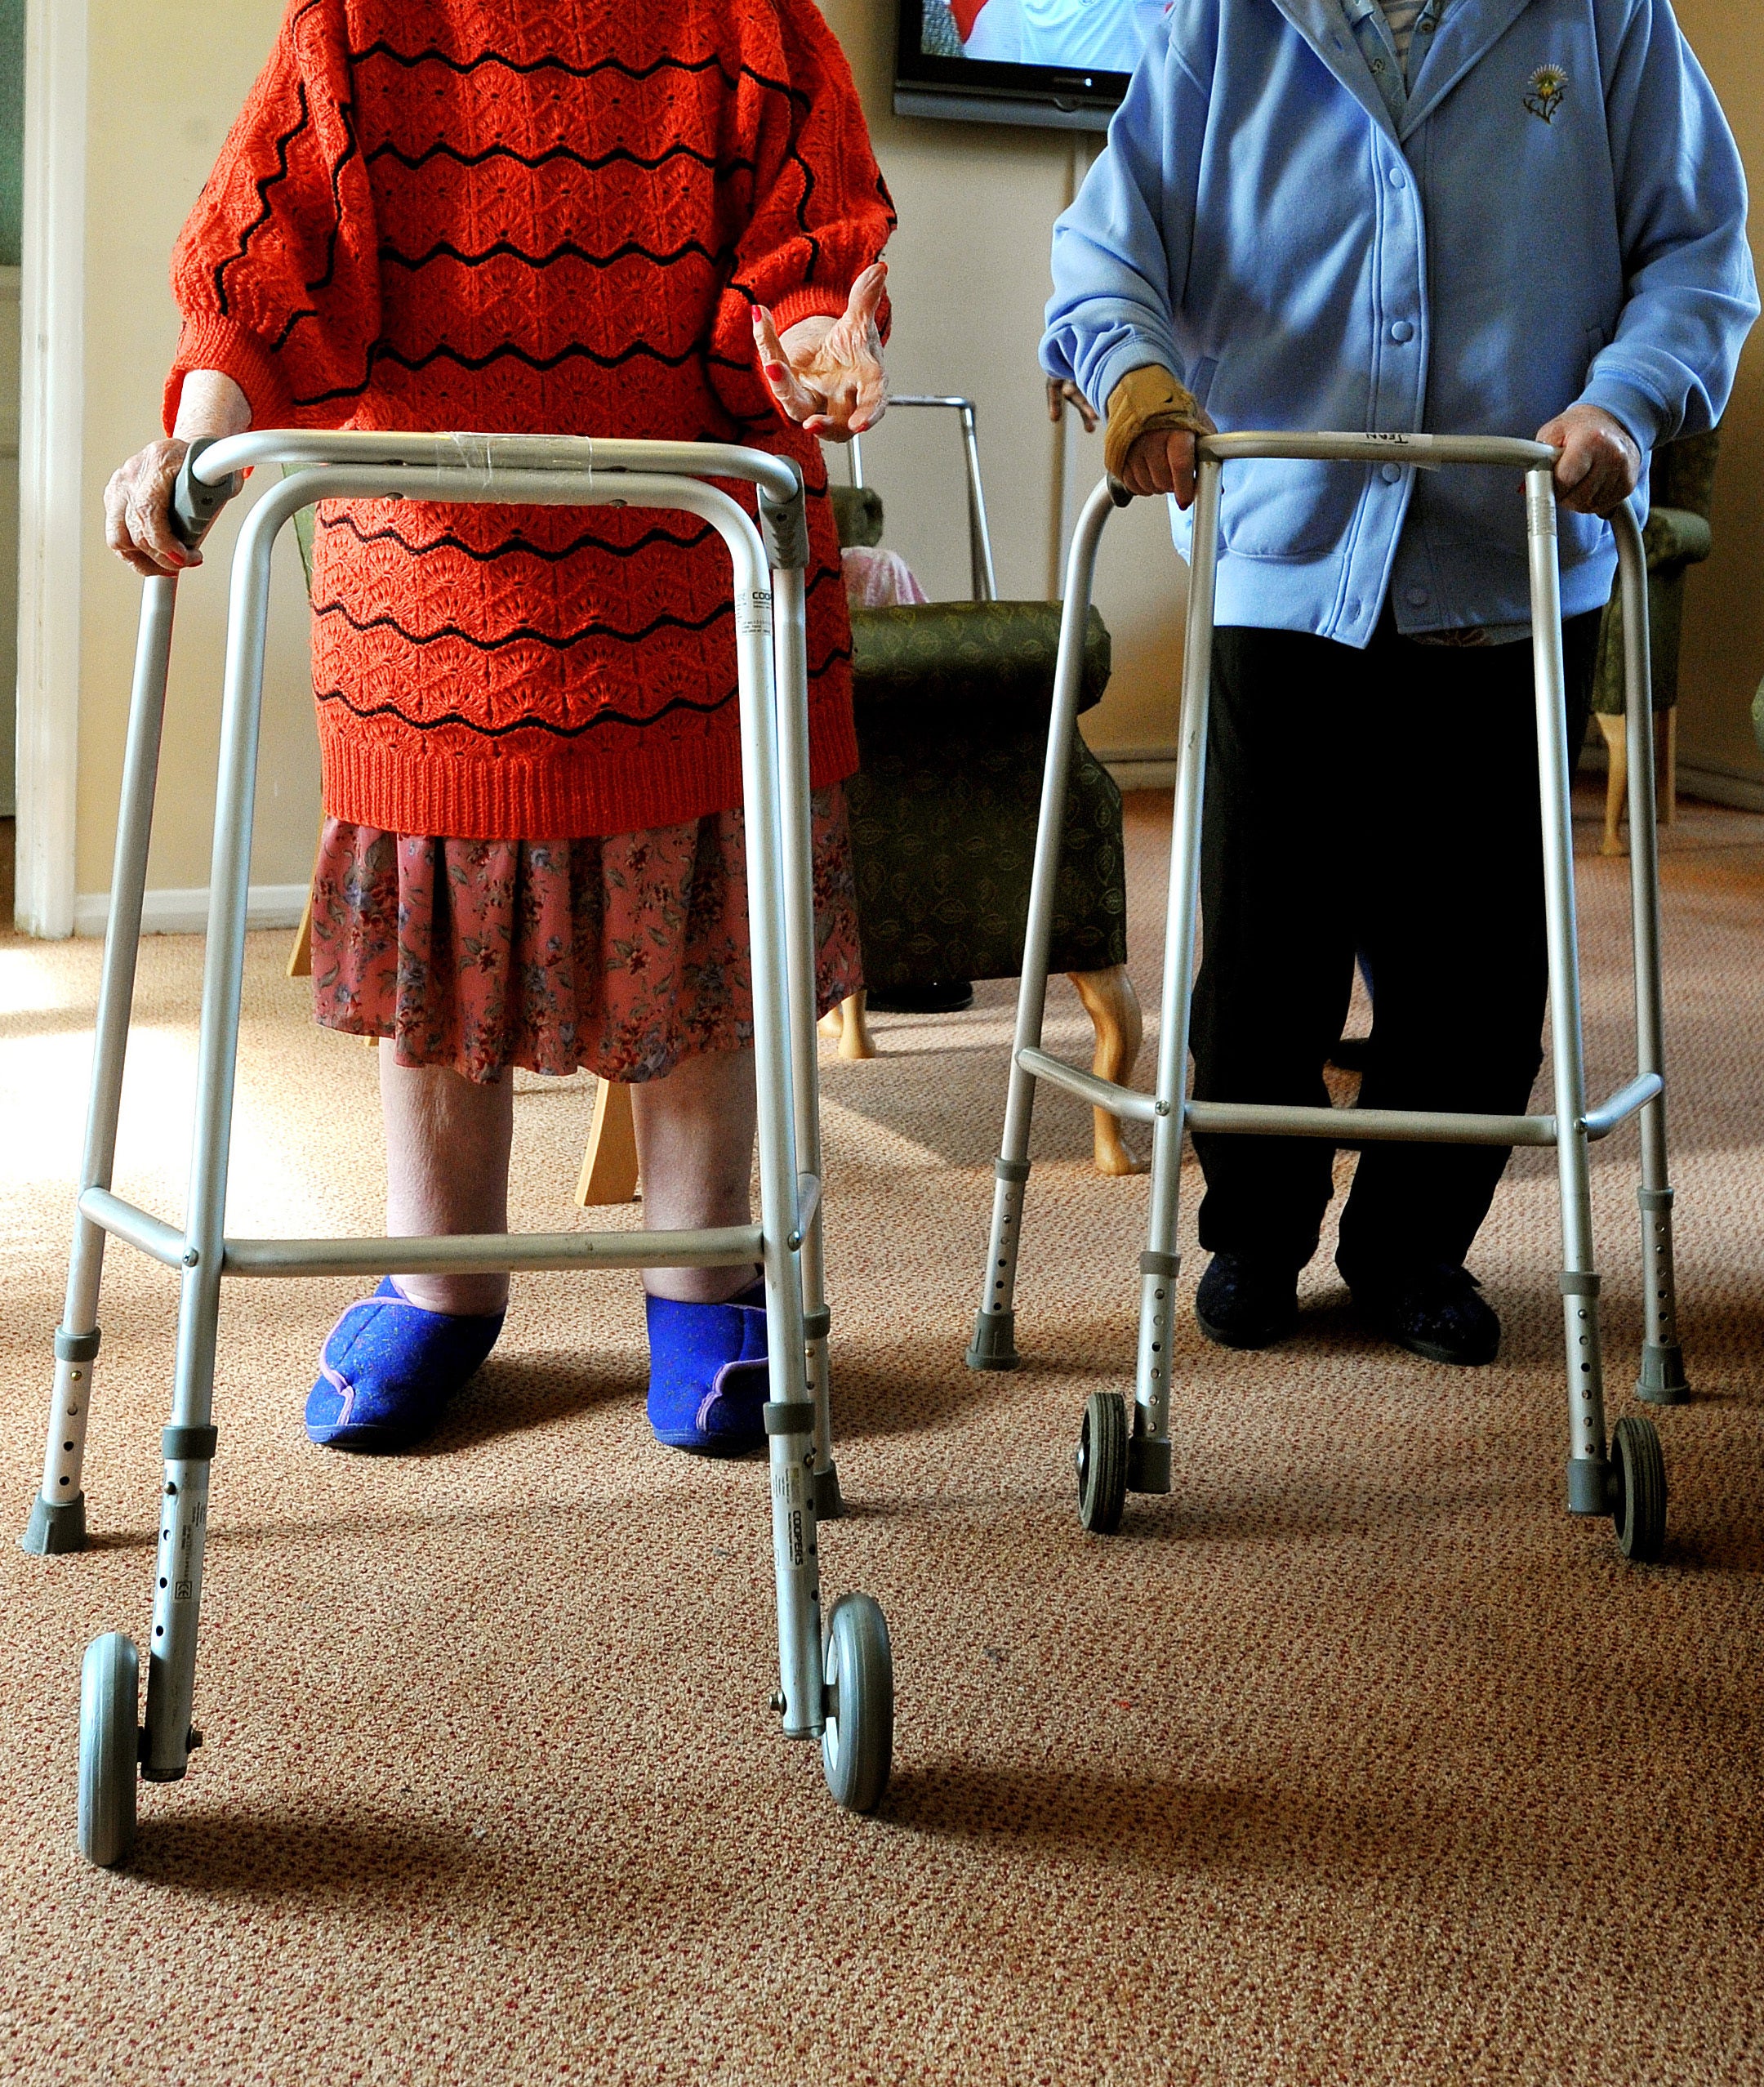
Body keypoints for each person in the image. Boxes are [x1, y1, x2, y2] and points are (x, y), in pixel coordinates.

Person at [105, 0, 894, 1455]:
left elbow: (804, 258)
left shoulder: (755, 22)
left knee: (695, 944)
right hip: (439, 590)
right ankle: (441, 1284)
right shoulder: (356, 21)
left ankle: (703, 1282)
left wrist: (810, 342)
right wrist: (197, 437)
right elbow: (264, 263)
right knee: (439, 957)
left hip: (688, 572)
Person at [1043, 0, 1756, 1363]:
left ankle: (1413, 1245)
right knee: (1262, 955)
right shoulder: (1223, 19)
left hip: (1509, 556)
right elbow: (1105, 254)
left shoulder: (1607, 13)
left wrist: (1625, 400)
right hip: (1284, 550)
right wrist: (1130, 370)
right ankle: (1254, 1232)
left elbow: (1699, 252)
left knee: (1479, 970)